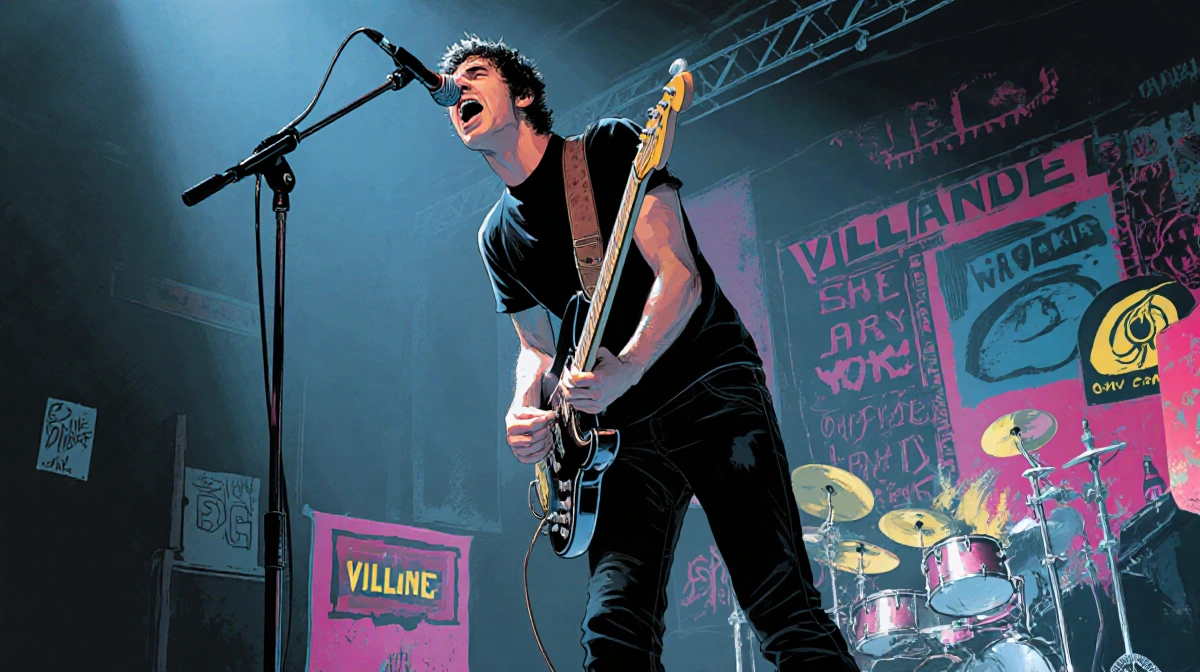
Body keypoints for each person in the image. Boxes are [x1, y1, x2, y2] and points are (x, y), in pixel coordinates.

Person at [438, 36, 859, 671]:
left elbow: (678, 275)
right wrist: (524, 406)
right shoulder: (496, 235)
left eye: (474, 75)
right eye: (451, 88)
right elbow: (534, 346)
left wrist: (629, 365)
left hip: (708, 389)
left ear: (522, 94)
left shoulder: (607, 148)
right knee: (613, 636)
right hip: (620, 434)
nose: (457, 92)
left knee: (782, 609)